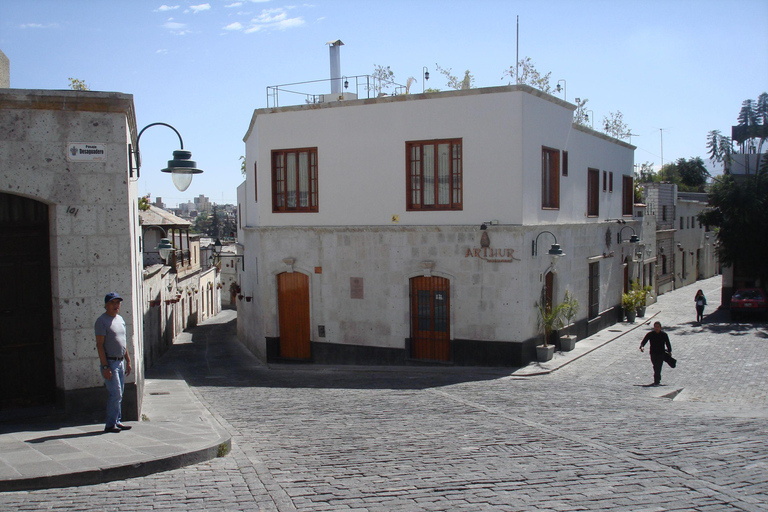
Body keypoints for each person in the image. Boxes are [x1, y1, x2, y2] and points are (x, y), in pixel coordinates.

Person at [95, 292, 132, 433]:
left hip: (120, 361)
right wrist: (105, 366)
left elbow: (123, 342)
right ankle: (110, 424)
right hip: (110, 362)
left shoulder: (120, 319)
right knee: (115, 393)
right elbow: (99, 344)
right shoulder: (102, 321)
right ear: (106, 305)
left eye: (118, 303)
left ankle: (117, 420)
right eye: (113, 303)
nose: (116, 306)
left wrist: (128, 360)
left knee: (120, 392)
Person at [639, 321, 672, 386]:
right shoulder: (650, 334)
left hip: (661, 353)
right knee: (655, 366)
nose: (656, 328)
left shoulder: (664, 335)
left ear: (660, 327)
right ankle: (657, 378)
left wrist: (669, 351)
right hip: (653, 353)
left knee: (658, 366)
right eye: (655, 327)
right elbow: (644, 341)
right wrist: (642, 347)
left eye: (658, 327)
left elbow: (668, 343)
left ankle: (657, 380)